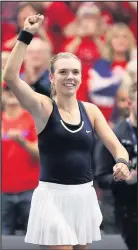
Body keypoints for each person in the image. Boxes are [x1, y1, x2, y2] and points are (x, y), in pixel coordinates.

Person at [3, 14, 130, 250]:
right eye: (62, 72)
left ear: (81, 77)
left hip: (83, 196)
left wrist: (122, 162)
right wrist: (26, 35)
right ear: (51, 77)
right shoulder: (43, 107)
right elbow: (10, 77)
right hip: (52, 197)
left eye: (75, 72)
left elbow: (117, 147)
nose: (69, 77)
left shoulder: (90, 110)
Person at [95, 82, 137, 250]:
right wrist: (126, 179)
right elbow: (100, 178)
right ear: (129, 103)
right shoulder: (114, 135)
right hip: (121, 211)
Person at [2, 86, 40, 235]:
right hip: (3, 191)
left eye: (15, 90)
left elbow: (40, 153)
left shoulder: (32, 119)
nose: (11, 93)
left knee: (34, 237)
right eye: (7, 90)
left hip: (29, 189)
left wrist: (22, 141)